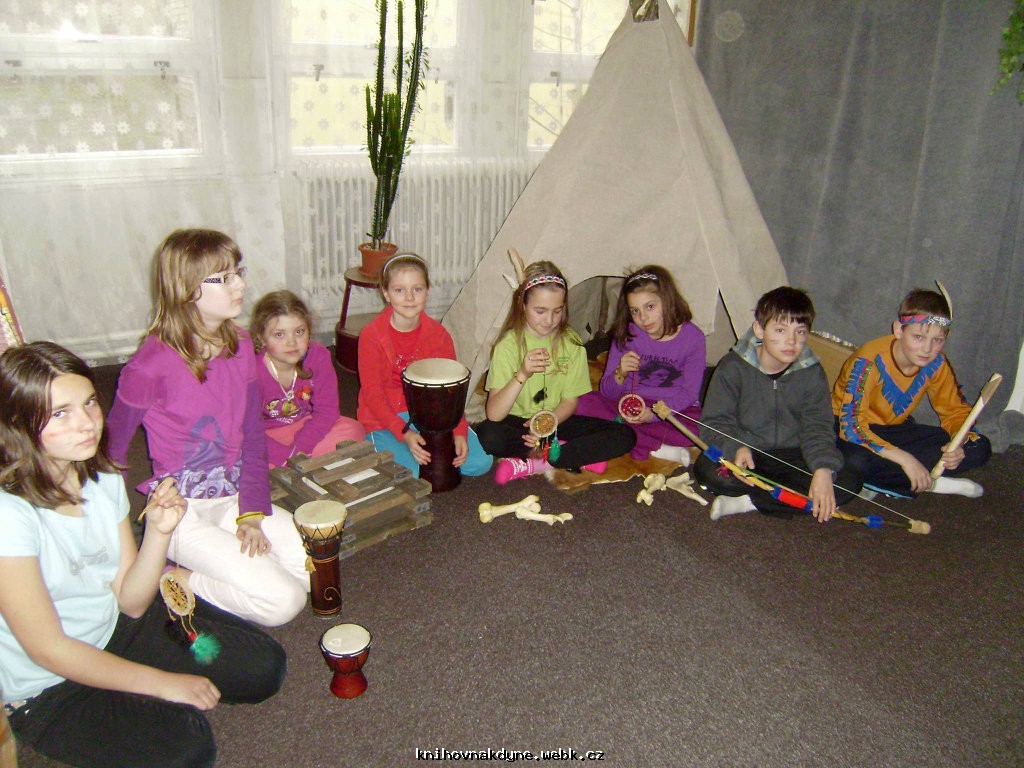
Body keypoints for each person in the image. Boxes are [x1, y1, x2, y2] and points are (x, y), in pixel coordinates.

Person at [0, 342, 285, 768]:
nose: (87, 423)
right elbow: (49, 650)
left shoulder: (100, 478)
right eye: (60, 413)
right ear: (17, 424)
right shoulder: (9, 516)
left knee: (263, 667)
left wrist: (157, 531)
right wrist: (161, 682)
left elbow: (131, 603)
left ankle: (164, 637)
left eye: (89, 402)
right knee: (187, 749)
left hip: (115, 628)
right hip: (49, 684)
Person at [106, 229, 308, 627]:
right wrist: (120, 537)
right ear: (185, 288)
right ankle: (177, 576)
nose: (240, 285)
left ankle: (224, 564)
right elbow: (109, 452)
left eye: (238, 273)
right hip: (183, 511)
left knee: (312, 572)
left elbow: (252, 434)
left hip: (234, 494)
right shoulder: (148, 366)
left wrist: (251, 513)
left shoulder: (241, 344)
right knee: (285, 602)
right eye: (224, 278)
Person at [694, 286, 860, 522]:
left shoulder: (812, 373)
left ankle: (749, 501)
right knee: (708, 470)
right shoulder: (732, 367)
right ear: (759, 330)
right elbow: (713, 423)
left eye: (800, 332)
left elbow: (818, 427)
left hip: (795, 454)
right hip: (748, 452)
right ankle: (787, 498)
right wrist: (735, 448)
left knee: (847, 481)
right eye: (780, 330)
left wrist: (822, 468)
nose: (791, 341)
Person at [476, 261, 636, 483]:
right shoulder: (507, 346)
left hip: (556, 420)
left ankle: (545, 457)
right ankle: (562, 454)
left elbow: (570, 402)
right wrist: (522, 374)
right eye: (540, 311)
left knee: (625, 435)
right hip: (518, 423)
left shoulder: (571, 343)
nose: (549, 320)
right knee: (487, 435)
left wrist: (549, 424)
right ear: (523, 305)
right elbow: (494, 414)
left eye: (557, 311)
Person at [832, 287, 992, 498]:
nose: (927, 348)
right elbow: (852, 427)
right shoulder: (867, 362)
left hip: (894, 430)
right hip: (845, 428)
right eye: (918, 337)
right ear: (899, 330)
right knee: (855, 461)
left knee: (979, 445)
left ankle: (893, 478)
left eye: (937, 340)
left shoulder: (937, 363)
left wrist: (957, 443)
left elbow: (955, 411)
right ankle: (931, 483)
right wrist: (906, 459)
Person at [357, 253, 492, 478]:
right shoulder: (371, 336)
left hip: (431, 413)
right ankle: (375, 444)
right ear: (386, 293)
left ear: (427, 291)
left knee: (479, 463)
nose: (409, 297)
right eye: (399, 290)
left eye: (417, 289)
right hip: (384, 417)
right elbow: (373, 395)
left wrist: (459, 431)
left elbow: (452, 391)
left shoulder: (439, 335)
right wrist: (405, 434)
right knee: (410, 473)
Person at [575, 266, 706, 464]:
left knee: (701, 428)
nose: (643, 318)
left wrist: (654, 415)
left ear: (668, 300)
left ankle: (630, 438)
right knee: (580, 404)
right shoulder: (627, 333)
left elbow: (689, 394)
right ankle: (656, 446)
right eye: (635, 311)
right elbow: (607, 392)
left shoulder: (693, 338)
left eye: (650, 307)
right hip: (629, 403)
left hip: (671, 408)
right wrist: (620, 373)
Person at [250, 289, 364, 467]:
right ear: (261, 338)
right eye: (279, 334)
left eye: (299, 332)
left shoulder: (318, 356)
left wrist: (299, 449)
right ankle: (306, 465)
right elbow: (249, 430)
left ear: (309, 332)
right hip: (269, 436)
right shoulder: (252, 371)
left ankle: (305, 464)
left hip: (309, 427)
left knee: (353, 431)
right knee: (248, 461)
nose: (291, 342)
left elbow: (327, 412)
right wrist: (285, 457)